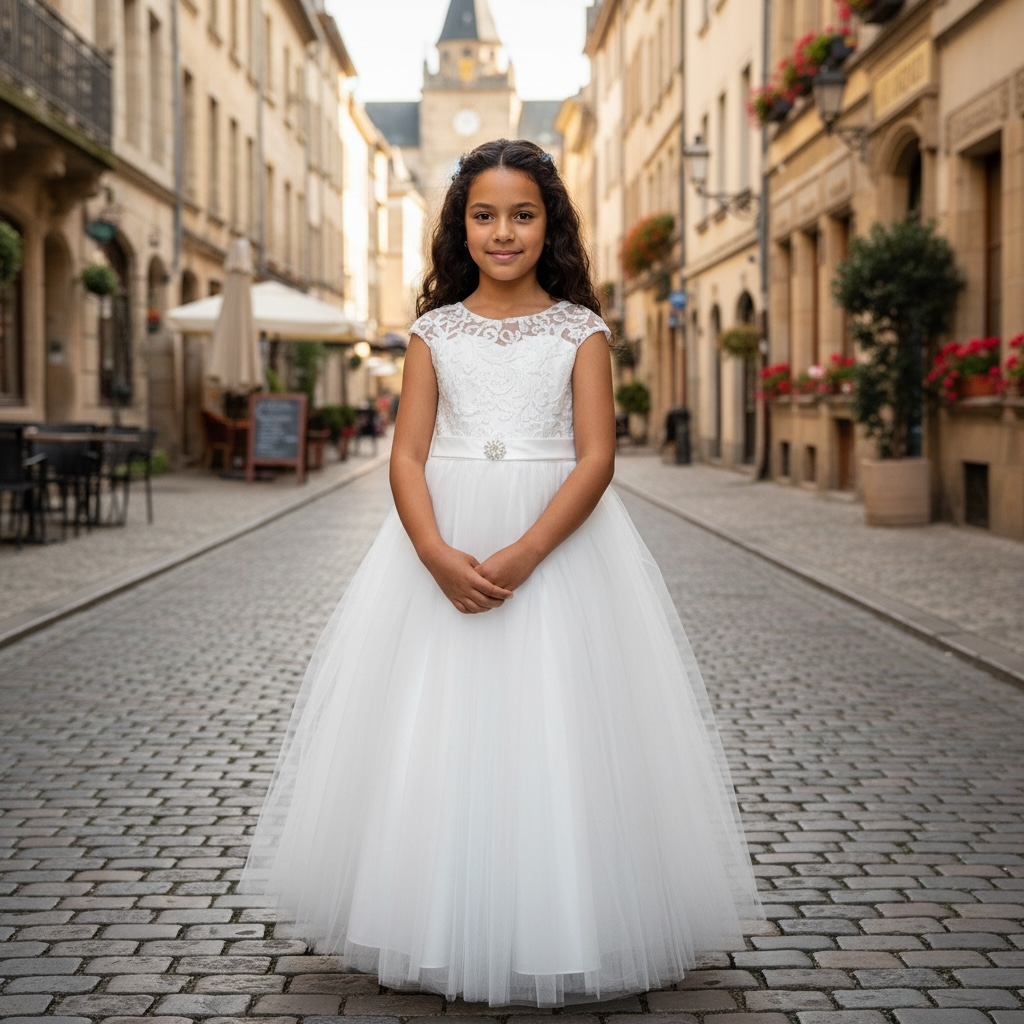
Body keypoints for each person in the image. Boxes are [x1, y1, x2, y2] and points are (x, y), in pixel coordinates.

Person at [239, 139, 762, 1007]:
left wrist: (524, 550)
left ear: (549, 223)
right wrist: (436, 553)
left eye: (522, 214)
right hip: (440, 538)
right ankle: (431, 913)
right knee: (432, 725)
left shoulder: (579, 329)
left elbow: (596, 457)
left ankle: (563, 916)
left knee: (559, 724)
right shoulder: (433, 334)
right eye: (484, 215)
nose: (503, 231)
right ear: (461, 226)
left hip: (557, 542)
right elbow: (406, 458)